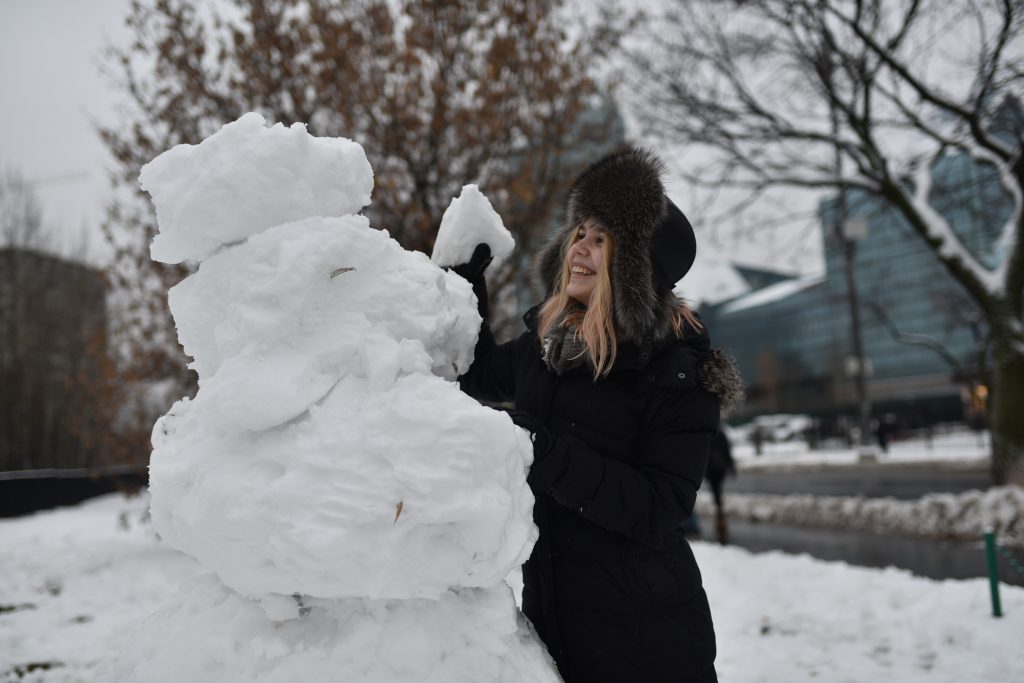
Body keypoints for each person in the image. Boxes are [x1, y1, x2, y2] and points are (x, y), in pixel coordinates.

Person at [455, 147, 743, 683]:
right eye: (579, 233)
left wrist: (547, 454)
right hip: (556, 617)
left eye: (601, 239)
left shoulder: (677, 368)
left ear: (635, 268)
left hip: (646, 638)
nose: (578, 248)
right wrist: (466, 282)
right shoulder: (549, 342)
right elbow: (476, 374)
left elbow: (661, 504)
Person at [705, 430, 737, 545]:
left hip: (712, 469)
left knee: (716, 492)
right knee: (717, 491)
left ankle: (720, 516)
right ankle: (720, 516)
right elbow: (727, 450)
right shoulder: (721, 433)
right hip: (719, 468)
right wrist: (731, 465)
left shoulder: (709, 432)